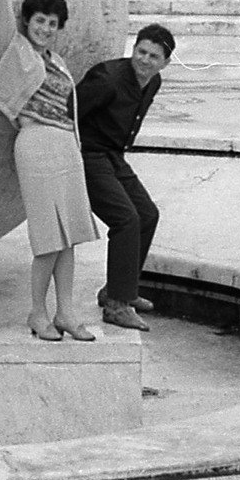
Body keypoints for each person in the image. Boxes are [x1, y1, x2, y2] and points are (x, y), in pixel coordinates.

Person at [0, 0, 98, 342]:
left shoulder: (58, 61)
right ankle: (37, 313)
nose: (46, 27)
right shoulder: (16, 53)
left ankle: (66, 313)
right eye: (40, 20)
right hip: (36, 144)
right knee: (48, 238)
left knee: (70, 238)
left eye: (53, 22)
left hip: (65, 146)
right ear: (27, 22)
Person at [74, 24, 175, 331]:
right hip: (88, 156)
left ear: (165, 63)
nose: (144, 60)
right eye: (140, 52)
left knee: (147, 214)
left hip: (114, 155)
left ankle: (118, 290)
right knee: (126, 219)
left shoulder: (152, 82)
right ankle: (117, 307)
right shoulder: (108, 79)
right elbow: (69, 111)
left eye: (153, 56)